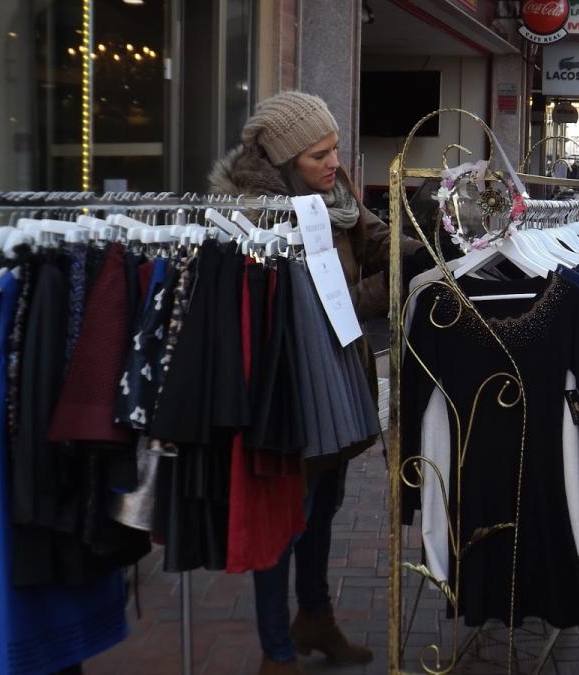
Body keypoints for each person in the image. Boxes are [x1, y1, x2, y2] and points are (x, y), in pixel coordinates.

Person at [208, 91, 407, 674]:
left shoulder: (334, 196)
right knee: (285, 523)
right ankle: (277, 651)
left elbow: (380, 243)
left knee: (323, 513)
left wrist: (434, 247)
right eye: (319, 154)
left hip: (341, 382)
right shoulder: (256, 218)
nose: (334, 162)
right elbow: (319, 306)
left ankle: (315, 618)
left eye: (335, 148)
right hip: (292, 391)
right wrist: (382, 290)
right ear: (284, 162)